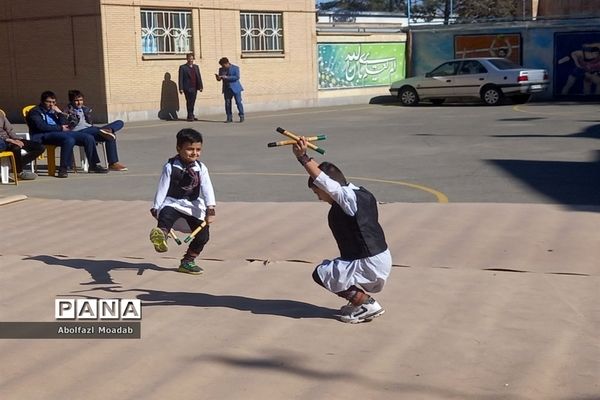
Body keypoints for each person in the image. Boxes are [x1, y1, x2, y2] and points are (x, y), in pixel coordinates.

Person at [291, 137, 392, 324]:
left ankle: (366, 304)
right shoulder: (360, 192)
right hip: (377, 256)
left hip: (368, 260)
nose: (319, 197)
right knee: (336, 269)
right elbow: (330, 183)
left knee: (322, 273)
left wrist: (303, 157)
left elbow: (327, 184)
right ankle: (360, 303)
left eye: (317, 192)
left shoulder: (347, 198)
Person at [150, 128, 216, 275]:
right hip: (173, 202)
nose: (194, 153)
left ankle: (188, 261)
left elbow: (207, 188)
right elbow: (162, 187)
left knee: (203, 235)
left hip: (193, 205)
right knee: (166, 214)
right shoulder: (170, 166)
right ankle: (161, 236)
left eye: (198, 149)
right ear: (178, 148)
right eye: (190, 149)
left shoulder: (201, 168)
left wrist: (210, 209)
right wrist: (156, 208)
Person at [26, 91, 108, 178]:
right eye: (49, 102)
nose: (51, 104)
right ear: (42, 102)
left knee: (88, 137)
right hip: (43, 135)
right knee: (69, 139)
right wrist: (60, 128)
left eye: (53, 102)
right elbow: (41, 127)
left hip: (58, 133)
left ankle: (93, 165)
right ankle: (63, 169)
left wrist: (60, 113)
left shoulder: (53, 111)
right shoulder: (35, 112)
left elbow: (63, 123)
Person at [66, 89, 128, 171]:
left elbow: (89, 123)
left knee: (118, 124)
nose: (79, 102)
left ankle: (112, 163)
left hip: (91, 129)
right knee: (108, 134)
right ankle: (105, 132)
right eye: (76, 100)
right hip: (79, 132)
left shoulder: (85, 109)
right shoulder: (68, 111)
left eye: (81, 100)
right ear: (71, 101)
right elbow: (66, 124)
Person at [0, 112, 45, 180]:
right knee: (16, 148)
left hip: (11, 139)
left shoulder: (1, 115)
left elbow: (9, 130)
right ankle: (19, 172)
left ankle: (16, 166)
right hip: (3, 142)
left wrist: (17, 139)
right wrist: (9, 140)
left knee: (39, 147)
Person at [215, 57, 244, 123]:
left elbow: (237, 77)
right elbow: (220, 79)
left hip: (235, 88)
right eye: (221, 66)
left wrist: (227, 77)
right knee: (227, 103)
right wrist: (218, 78)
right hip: (226, 88)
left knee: (238, 102)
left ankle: (241, 115)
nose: (223, 67)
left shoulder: (235, 68)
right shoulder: (221, 69)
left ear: (227, 63)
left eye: (223, 65)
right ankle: (229, 117)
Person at [178, 53, 203, 122]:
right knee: (189, 101)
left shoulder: (196, 67)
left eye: (192, 59)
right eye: (189, 59)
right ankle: (190, 115)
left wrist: (200, 86)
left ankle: (191, 114)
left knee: (193, 101)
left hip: (194, 87)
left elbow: (199, 77)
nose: (191, 60)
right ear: (187, 59)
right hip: (187, 87)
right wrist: (181, 88)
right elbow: (180, 78)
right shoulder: (183, 67)